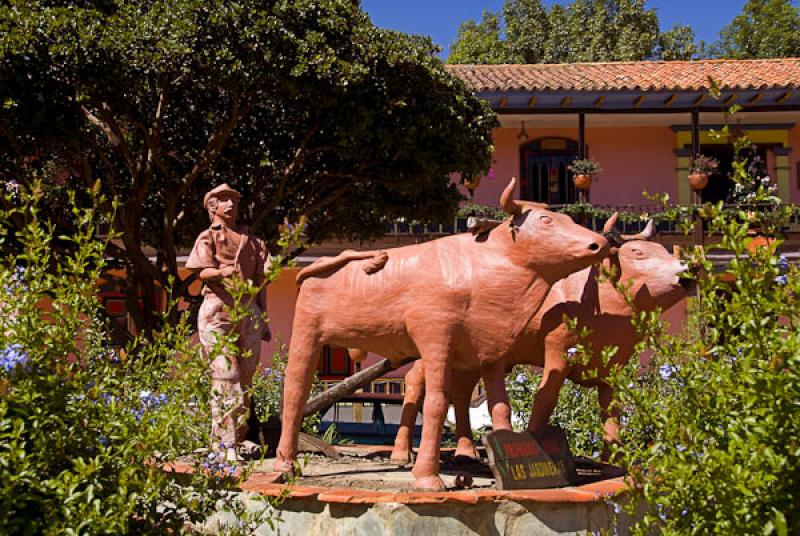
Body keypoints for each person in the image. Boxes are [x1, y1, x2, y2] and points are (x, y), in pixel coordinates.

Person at [186, 183, 270, 458]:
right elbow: (201, 271)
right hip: (218, 309)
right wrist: (220, 273)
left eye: (233, 199)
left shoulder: (252, 241)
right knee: (226, 374)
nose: (230, 204)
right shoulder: (208, 237)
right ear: (212, 207)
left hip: (249, 310)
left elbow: (263, 281)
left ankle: (239, 437)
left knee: (245, 377)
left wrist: (264, 316)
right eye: (223, 200)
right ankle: (223, 444)